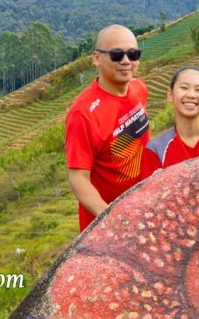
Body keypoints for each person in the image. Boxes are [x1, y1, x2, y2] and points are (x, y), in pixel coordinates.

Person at [64, 25, 159, 230]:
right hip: (107, 226)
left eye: (133, 54)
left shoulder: (139, 88)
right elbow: (78, 179)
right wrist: (111, 218)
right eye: (117, 55)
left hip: (144, 210)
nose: (126, 61)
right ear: (97, 58)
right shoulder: (83, 114)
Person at [147, 66, 199, 166]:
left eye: (198, 90)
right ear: (170, 95)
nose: (191, 95)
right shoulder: (156, 149)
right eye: (184, 88)